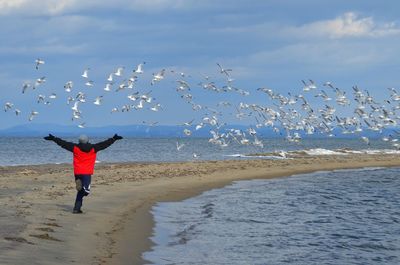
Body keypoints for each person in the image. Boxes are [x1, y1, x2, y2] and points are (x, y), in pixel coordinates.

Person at [44, 133, 123, 213]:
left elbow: (63, 143)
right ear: (88, 141)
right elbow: (104, 144)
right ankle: (85, 189)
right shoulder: (94, 148)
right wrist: (113, 139)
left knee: (80, 191)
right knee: (86, 190)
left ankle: (76, 209)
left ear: (79, 141)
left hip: (77, 172)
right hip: (86, 172)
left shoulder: (74, 147)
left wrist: (53, 138)